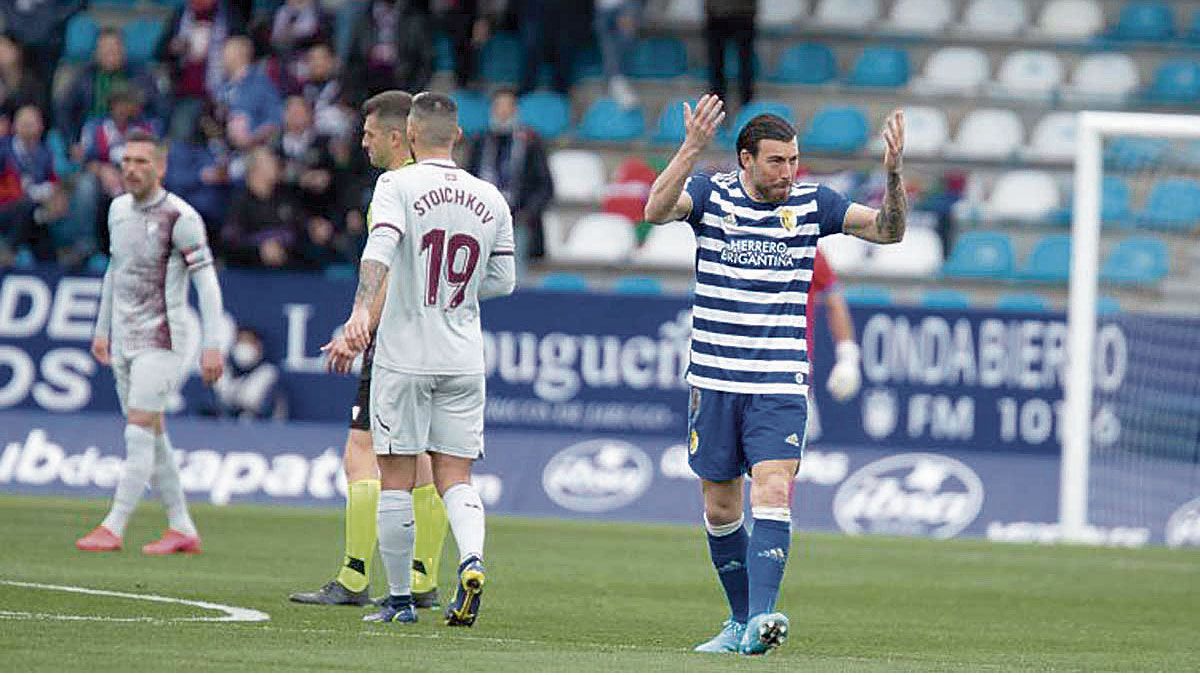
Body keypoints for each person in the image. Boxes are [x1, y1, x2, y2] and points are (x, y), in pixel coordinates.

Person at [642, 95, 906, 654]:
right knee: (720, 507)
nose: (789, 172)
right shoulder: (712, 196)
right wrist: (691, 148)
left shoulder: (815, 205)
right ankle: (740, 622)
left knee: (774, 487)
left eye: (793, 160)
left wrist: (894, 177)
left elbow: (888, 231)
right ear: (745, 159)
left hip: (778, 383)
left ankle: (762, 618)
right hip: (714, 378)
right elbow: (655, 210)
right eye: (777, 161)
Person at [340, 91, 515, 625]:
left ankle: (398, 601)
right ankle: (472, 560)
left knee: (395, 476)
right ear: (457, 135)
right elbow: (503, 281)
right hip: (462, 354)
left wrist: (361, 312)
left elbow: (380, 250)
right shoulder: (491, 196)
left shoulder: (395, 185)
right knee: (455, 476)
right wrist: (453, 298)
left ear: (411, 136)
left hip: (405, 353)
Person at [288, 91, 452, 610]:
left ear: (398, 136)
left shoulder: (395, 186)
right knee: (425, 460)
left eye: (369, 133)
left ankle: (354, 576)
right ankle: (424, 578)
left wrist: (359, 324)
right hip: (443, 339)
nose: (362, 141)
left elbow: (388, 265)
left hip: (396, 339)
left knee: (361, 453)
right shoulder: (449, 188)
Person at [76, 129, 226, 555]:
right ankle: (181, 527)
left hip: (163, 339)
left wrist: (212, 345)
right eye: (126, 161)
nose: (132, 169)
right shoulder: (118, 210)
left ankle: (114, 525)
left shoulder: (181, 218)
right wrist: (101, 328)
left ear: (160, 167)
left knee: (138, 429)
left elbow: (208, 284)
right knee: (152, 432)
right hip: (123, 338)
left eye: (142, 162)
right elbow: (115, 271)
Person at [465, 88, 552, 274]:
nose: (503, 112)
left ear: (516, 110)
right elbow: (468, 178)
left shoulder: (530, 142)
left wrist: (527, 213)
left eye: (508, 107)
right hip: (482, 219)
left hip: (517, 219)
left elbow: (545, 186)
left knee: (514, 276)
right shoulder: (480, 141)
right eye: (499, 107)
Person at [704, 0, 757, 106]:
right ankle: (720, 107)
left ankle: (745, 108)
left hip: (738, 13)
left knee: (744, 67)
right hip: (723, 12)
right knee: (718, 67)